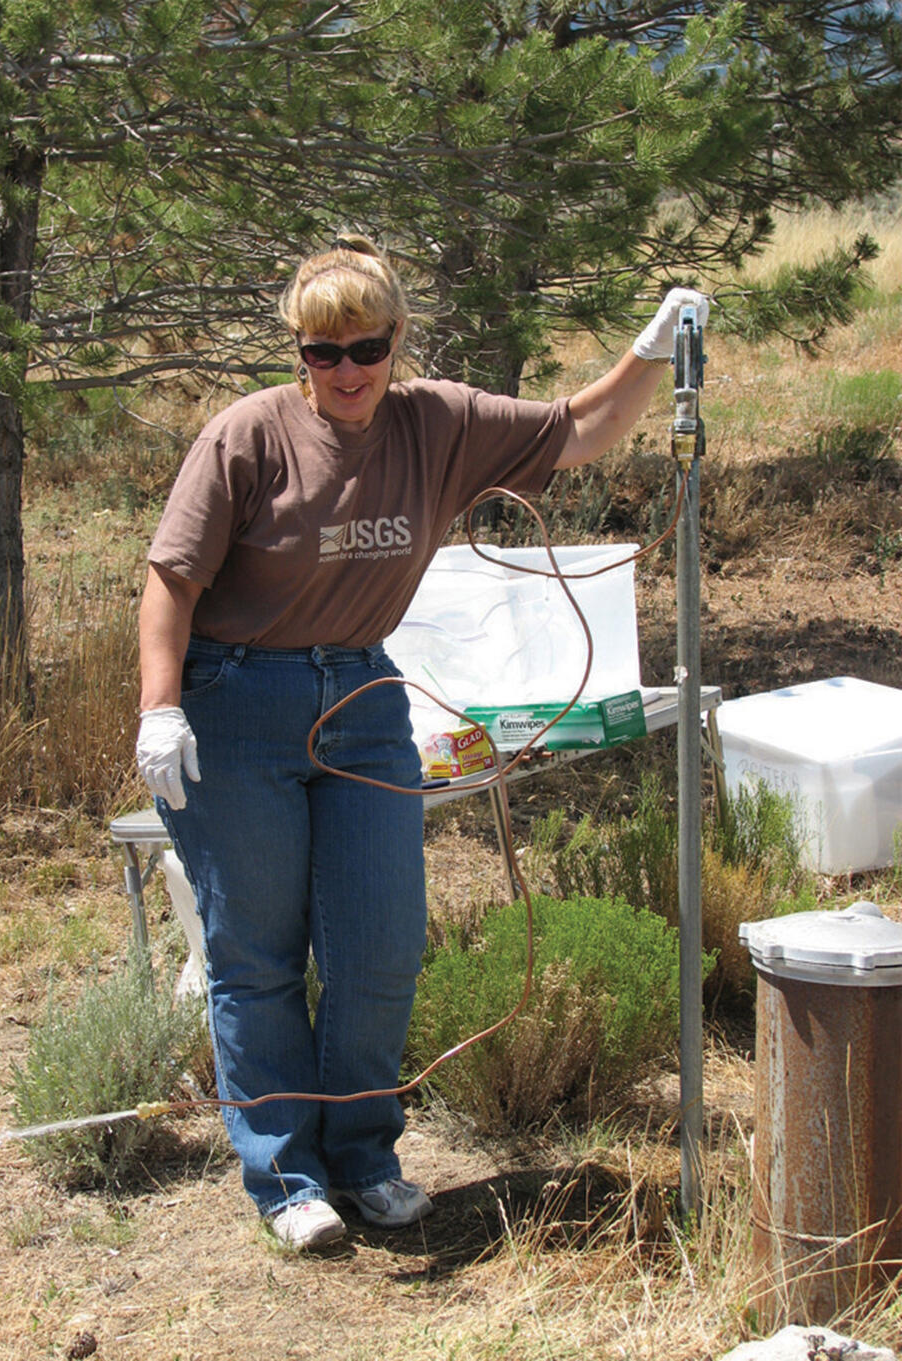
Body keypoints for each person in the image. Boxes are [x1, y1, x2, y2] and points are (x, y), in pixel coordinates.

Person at [136, 234, 708, 1252]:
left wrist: (651, 350)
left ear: (397, 340)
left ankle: (364, 1157)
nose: (346, 372)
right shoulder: (246, 436)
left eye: (365, 347)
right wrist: (159, 705)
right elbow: (171, 579)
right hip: (237, 697)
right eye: (321, 352)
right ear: (297, 351)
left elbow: (582, 427)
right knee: (256, 950)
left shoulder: (437, 421)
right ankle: (286, 1176)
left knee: (381, 941)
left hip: (361, 688)